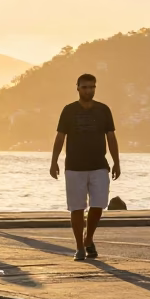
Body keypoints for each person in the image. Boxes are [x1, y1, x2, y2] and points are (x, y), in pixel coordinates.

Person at [50, 73, 120, 262]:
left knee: (98, 205)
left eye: (92, 87)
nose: (89, 90)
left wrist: (116, 162)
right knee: (77, 208)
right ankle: (80, 247)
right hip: (74, 166)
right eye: (85, 87)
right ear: (78, 88)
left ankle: (88, 238)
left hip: (99, 165)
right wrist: (53, 160)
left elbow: (111, 137)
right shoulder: (68, 110)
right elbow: (60, 137)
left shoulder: (103, 110)